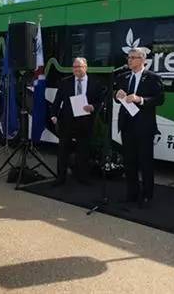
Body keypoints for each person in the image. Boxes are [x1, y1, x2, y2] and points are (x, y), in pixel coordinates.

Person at [115, 48, 164, 208]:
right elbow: (117, 97)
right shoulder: (123, 77)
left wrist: (140, 99)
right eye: (128, 57)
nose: (129, 60)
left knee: (145, 162)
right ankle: (132, 194)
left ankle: (147, 195)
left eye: (133, 57)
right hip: (127, 125)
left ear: (142, 60)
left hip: (144, 126)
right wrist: (117, 95)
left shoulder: (153, 78)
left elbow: (160, 99)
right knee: (129, 162)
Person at [50, 57, 104, 185]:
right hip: (67, 121)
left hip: (85, 121)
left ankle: (83, 177)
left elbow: (100, 101)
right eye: (74, 67)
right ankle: (60, 177)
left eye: (79, 67)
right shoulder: (65, 82)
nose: (76, 69)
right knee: (63, 150)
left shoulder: (95, 83)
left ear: (85, 67)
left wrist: (93, 107)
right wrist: (53, 115)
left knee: (83, 151)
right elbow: (57, 101)